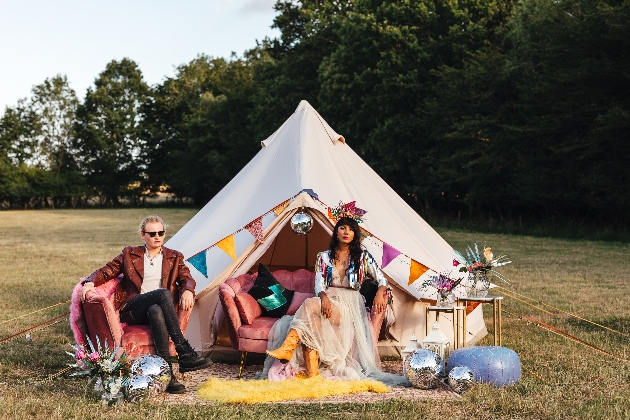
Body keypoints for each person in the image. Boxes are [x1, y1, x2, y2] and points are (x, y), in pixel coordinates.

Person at [265, 216, 409, 386]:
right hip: (329, 299)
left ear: (355, 234)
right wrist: (324, 298)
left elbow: (382, 279)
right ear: (336, 232)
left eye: (350, 229)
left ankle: (287, 347)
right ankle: (312, 374)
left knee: (309, 306)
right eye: (342, 228)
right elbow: (319, 283)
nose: (346, 232)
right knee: (310, 320)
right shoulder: (323, 257)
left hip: (350, 304)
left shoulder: (362, 256)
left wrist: (380, 291)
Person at [80, 215, 212, 394]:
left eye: (161, 232)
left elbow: (187, 278)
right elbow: (107, 270)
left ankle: (168, 377)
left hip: (155, 309)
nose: (157, 237)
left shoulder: (174, 257)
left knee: (157, 310)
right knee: (163, 294)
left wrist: (188, 289)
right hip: (133, 308)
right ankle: (184, 350)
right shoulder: (129, 254)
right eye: (152, 233)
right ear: (143, 235)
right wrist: (89, 282)